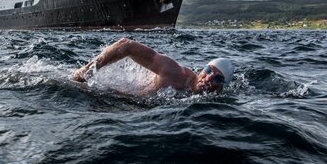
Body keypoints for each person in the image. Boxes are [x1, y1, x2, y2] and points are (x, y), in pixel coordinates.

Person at [72, 38, 234, 94]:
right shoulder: (174, 72)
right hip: (110, 96)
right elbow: (126, 45)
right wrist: (86, 71)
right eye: (208, 71)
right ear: (201, 70)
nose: (209, 78)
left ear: (221, 88)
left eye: (218, 78)